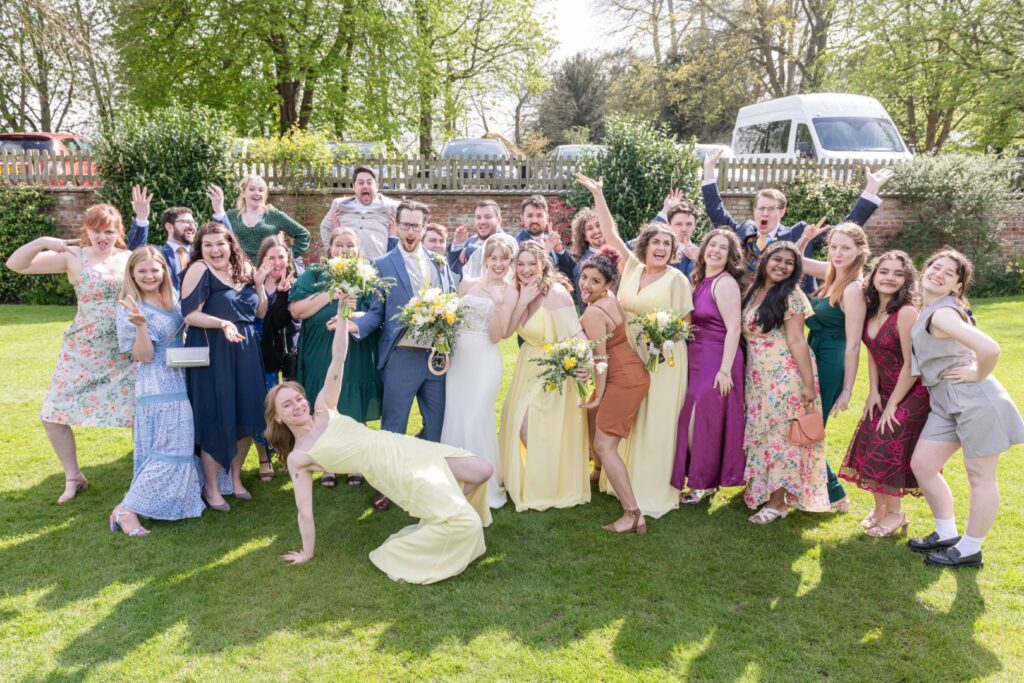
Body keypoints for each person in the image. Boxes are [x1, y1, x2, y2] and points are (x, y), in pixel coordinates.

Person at [264, 297, 493, 584]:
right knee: (467, 523)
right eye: (287, 405)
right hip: (388, 468)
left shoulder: (324, 406)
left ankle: (441, 514)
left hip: (401, 444)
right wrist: (307, 552)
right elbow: (304, 511)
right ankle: (412, 542)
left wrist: (343, 315)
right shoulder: (300, 456)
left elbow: (339, 358)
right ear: (278, 418)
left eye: (298, 398)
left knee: (482, 471)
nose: (297, 405)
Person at [576, 173, 694, 519]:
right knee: (631, 422)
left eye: (667, 246)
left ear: (673, 252)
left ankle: (651, 490)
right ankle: (622, 484)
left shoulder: (677, 279)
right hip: (626, 355)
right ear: (645, 246)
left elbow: (685, 324)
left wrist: (662, 341)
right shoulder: (630, 267)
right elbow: (610, 233)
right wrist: (599, 193)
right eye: (655, 243)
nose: (660, 249)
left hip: (664, 359)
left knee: (655, 422)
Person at [5, 203, 135, 505]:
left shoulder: (128, 259)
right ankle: (73, 476)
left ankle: (141, 475)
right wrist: (41, 242)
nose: (103, 237)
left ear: (118, 232)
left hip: (122, 351)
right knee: (53, 414)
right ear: (86, 230)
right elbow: (16, 264)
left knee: (137, 414)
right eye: (97, 230)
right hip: (81, 351)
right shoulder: (72, 256)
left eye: (109, 231)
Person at [906, 249, 1024, 568]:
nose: (939, 273)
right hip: (945, 404)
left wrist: (976, 373)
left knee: (980, 477)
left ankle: (970, 548)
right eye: (935, 266)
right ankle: (946, 532)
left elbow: (990, 348)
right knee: (924, 465)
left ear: (956, 287)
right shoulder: (931, 309)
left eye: (949, 272)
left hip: (975, 400)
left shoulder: (943, 313)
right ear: (924, 270)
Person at [110, 246, 204, 536]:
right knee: (169, 447)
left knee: (175, 445)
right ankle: (126, 510)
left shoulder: (171, 298)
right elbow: (145, 356)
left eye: (155, 269)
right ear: (132, 274)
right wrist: (140, 326)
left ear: (164, 270)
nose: (150, 276)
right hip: (157, 383)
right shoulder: (130, 305)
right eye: (143, 271)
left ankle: (164, 500)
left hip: (181, 376)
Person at [700, 147, 892, 288]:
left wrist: (870, 191)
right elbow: (716, 211)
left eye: (771, 209)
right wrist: (708, 169)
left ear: (782, 212)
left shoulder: (799, 233)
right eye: (761, 209)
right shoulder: (744, 230)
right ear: (754, 211)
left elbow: (845, 231)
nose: (764, 213)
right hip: (747, 301)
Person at [180, 222, 269, 511]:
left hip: (246, 351)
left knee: (246, 413)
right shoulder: (199, 269)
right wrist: (222, 323)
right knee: (215, 415)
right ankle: (211, 486)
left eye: (221, 243)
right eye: (208, 245)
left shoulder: (242, 268)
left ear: (231, 244)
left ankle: (235, 478)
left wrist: (258, 284)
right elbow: (190, 315)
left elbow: (259, 312)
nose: (215, 249)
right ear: (200, 248)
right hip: (214, 351)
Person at [838, 251, 929, 536]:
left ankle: (895, 514)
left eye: (897, 273)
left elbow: (913, 366)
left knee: (887, 446)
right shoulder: (872, 309)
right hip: (884, 390)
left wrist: (892, 404)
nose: (889, 278)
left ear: (906, 280)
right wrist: (873, 392)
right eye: (884, 272)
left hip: (912, 391)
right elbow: (874, 353)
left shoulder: (907, 313)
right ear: (873, 276)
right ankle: (879, 509)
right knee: (868, 443)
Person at [351, 200, 455, 442]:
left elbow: (453, 300)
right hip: (401, 356)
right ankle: (390, 478)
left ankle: (426, 473)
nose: (410, 232)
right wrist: (355, 325)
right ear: (396, 226)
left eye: (416, 226)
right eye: (406, 225)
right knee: (394, 426)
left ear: (424, 227)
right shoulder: (382, 264)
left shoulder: (439, 262)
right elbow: (377, 311)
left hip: (436, 357)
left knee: (437, 425)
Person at [498, 240, 590, 511]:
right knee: (515, 421)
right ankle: (537, 480)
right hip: (528, 365)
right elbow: (508, 329)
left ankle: (548, 485)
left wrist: (584, 364)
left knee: (529, 425)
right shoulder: (518, 291)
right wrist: (522, 300)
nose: (526, 269)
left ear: (543, 264)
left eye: (531, 263)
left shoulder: (556, 294)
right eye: (521, 264)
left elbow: (577, 335)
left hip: (552, 368)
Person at [741, 241, 830, 522]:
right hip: (758, 376)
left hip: (785, 374)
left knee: (781, 436)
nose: (781, 266)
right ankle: (764, 490)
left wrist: (807, 384)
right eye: (776, 259)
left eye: (789, 263)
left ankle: (778, 503)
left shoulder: (791, 295)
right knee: (764, 434)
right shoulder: (754, 290)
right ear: (765, 260)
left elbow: (796, 340)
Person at [289, 227, 383, 491]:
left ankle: (354, 462)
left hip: (356, 349)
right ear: (329, 249)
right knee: (324, 404)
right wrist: (331, 295)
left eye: (350, 245)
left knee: (353, 402)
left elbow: (378, 315)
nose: (344, 250)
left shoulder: (368, 276)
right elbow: (297, 310)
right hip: (320, 349)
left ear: (358, 250)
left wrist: (354, 316)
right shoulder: (315, 274)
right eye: (339, 245)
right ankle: (328, 463)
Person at [795, 222, 870, 512]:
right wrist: (804, 239)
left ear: (859, 251)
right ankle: (816, 489)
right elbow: (796, 261)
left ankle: (836, 495)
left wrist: (848, 389)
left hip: (832, 359)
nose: (838, 253)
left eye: (845, 248)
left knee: (809, 426)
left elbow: (853, 344)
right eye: (834, 247)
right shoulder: (831, 273)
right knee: (805, 423)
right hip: (815, 351)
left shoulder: (853, 289)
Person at [440, 233, 519, 508]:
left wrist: (497, 304)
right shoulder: (467, 284)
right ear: (485, 259)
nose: (498, 264)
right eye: (494, 258)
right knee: (455, 415)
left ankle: (483, 483)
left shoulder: (511, 292)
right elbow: (452, 319)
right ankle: (454, 479)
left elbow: (497, 336)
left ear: (511, 261)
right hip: (459, 357)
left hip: (485, 359)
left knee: (476, 417)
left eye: (504, 259)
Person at [670, 229, 746, 503]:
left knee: (700, 422)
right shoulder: (702, 279)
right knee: (695, 419)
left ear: (730, 256)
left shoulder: (725, 283)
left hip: (718, 358)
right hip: (698, 358)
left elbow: (734, 328)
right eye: (711, 245)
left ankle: (702, 484)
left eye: (722, 248)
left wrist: (725, 369)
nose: (715, 250)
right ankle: (704, 480)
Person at [578, 249, 651, 533]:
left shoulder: (594, 313)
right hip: (634, 374)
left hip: (623, 379)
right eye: (584, 277)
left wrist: (598, 394)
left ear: (608, 285)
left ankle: (633, 515)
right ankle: (628, 507)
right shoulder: (610, 300)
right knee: (606, 444)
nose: (586, 284)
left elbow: (601, 359)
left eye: (595, 281)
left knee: (604, 446)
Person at [252, 234, 300, 482]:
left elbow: (284, 320)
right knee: (266, 404)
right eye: (271, 258)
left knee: (292, 403)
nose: (277, 262)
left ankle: (290, 452)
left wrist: (282, 296)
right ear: (262, 260)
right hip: (261, 352)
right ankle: (264, 455)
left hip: (290, 352)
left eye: (281, 256)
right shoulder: (252, 282)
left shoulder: (297, 282)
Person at [211, 175, 309, 264]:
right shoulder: (231, 216)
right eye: (252, 189)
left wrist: (286, 256)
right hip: (240, 271)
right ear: (243, 193)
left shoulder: (274, 215)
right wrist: (219, 210)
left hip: (269, 272)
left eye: (261, 190)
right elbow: (215, 236)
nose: (257, 193)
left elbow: (303, 235)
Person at [319, 165, 399, 261]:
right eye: (360, 183)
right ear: (354, 186)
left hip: (377, 264)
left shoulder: (392, 207)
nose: (365, 186)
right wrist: (333, 251)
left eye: (369, 183)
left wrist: (393, 237)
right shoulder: (339, 205)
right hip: (347, 265)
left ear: (376, 186)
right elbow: (325, 228)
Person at [514, 194, 576, 284]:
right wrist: (545, 251)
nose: (534, 220)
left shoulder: (552, 240)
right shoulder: (516, 244)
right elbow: (521, 279)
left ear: (547, 218)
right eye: (530, 216)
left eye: (539, 215)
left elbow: (574, 275)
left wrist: (560, 251)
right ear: (522, 218)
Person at [641, 189, 701, 278]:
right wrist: (665, 210)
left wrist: (694, 260)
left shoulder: (701, 254)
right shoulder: (658, 249)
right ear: (669, 225)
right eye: (678, 224)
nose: (684, 229)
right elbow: (642, 239)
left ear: (695, 225)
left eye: (689, 224)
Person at [448, 200, 503, 280]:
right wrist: (458, 245)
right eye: (478, 217)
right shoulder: (471, 241)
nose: (482, 222)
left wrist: (470, 250)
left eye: (488, 217)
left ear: (498, 220)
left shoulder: (506, 242)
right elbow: (455, 270)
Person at [568, 207, 605, 310]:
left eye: (598, 225)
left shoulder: (619, 252)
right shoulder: (581, 267)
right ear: (584, 237)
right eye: (590, 228)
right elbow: (585, 308)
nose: (596, 231)